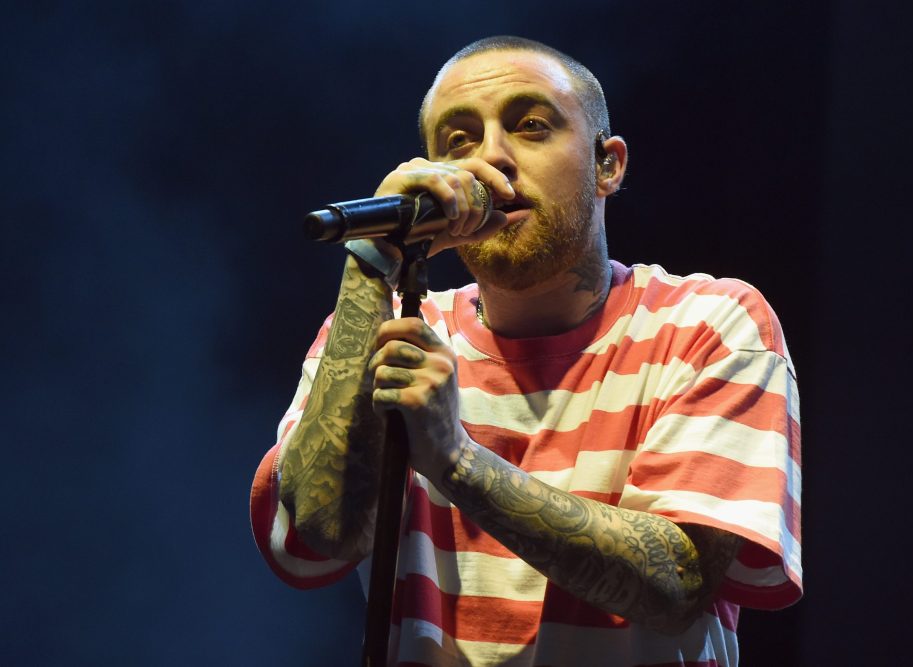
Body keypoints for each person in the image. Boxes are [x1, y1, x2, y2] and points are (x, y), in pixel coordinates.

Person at [250, 35, 802, 666]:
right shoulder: (384, 328)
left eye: (532, 126)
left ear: (608, 165)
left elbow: (677, 582)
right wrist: (373, 262)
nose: (492, 158)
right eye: (458, 141)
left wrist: (455, 459)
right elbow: (321, 533)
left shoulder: (707, 322)